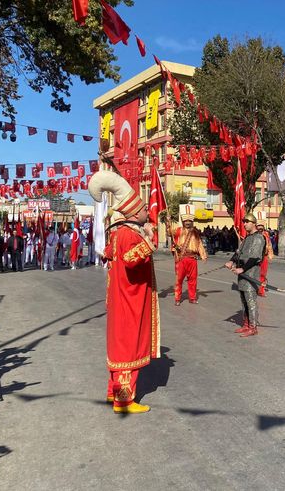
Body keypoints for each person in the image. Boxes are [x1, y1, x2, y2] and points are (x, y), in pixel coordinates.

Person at [88, 170, 161, 414]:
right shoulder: (130, 234)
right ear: (132, 213)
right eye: (142, 210)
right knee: (129, 347)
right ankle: (124, 401)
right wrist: (149, 242)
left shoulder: (118, 234)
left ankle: (113, 392)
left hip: (121, 297)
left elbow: (109, 254)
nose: (145, 213)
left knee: (120, 344)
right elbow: (131, 260)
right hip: (131, 298)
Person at [225, 213, 265, 337]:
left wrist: (242, 269)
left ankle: (253, 327)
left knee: (250, 301)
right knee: (243, 300)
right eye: (244, 222)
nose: (244, 224)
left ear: (253, 223)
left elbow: (255, 258)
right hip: (242, 273)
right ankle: (246, 324)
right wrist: (231, 261)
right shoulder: (247, 238)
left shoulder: (259, 238)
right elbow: (239, 252)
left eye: (247, 222)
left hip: (251, 273)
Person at [170, 206, 207, 306]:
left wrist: (203, 254)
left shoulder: (195, 232)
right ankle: (177, 298)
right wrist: (168, 222)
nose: (187, 222)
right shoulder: (178, 230)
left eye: (189, 220)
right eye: (185, 220)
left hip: (193, 259)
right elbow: (169, 233)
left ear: (192, 221)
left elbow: (199, 243)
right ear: (182, 221)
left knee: (193, 280)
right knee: (179, 280)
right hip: (181, 258)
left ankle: (192, 297)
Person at [256, 222, 274, 297]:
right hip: (256, 258)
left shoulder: (266, 234)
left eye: (261, 226)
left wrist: (270, 255)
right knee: (255, 274)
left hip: (264, 257)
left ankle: (261, 290)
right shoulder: (254, 235)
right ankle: (254, 289)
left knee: (263, 274)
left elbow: (269, 244)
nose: (260, 227)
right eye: (259, 226)